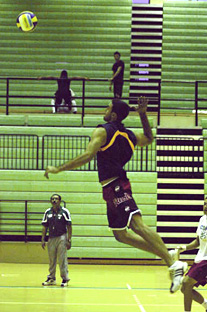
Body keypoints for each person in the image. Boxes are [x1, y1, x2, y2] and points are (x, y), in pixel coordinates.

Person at [44, 96, 187, 293]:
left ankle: (173, 263)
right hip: (110, 189)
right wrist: (143, 115)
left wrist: (60, 168)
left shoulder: (103, 130)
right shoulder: (129, 136)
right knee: (120, 235)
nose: (105, 109)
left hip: (118, 185)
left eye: (107, 107)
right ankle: (168, 255)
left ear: (113, 114)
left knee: (137, 224)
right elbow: (149, 138)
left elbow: (88, 155)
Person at [170, 197, 207, 312]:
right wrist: (184, 247)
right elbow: (197, 241)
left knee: (186, 283)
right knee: (185, 288)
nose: (205, 206)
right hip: (200, 258)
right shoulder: (203, 220)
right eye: (205, 203)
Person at [41, 194, 72, 287]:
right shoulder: (48, 212)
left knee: (62, 259)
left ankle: (65, 278)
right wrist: (43, 239)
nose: (54, 200)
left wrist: (69, 240)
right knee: (52, 259)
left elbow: (69, 226)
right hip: (51, 238)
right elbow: (44, 226)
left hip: (62, 237)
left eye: (56, 199)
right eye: (52, 199)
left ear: (60, 201)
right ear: (51, 201)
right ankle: (51, 278)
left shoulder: (65, 211)